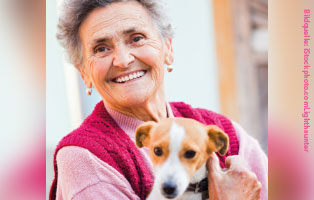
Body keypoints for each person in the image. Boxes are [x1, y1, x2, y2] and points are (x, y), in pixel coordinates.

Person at [50, 0, 267, 200]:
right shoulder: (86, 158)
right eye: (101, 48)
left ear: (168, 48)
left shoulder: (226, 132)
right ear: (84, 73)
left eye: (136, 38)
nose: (123, 60)